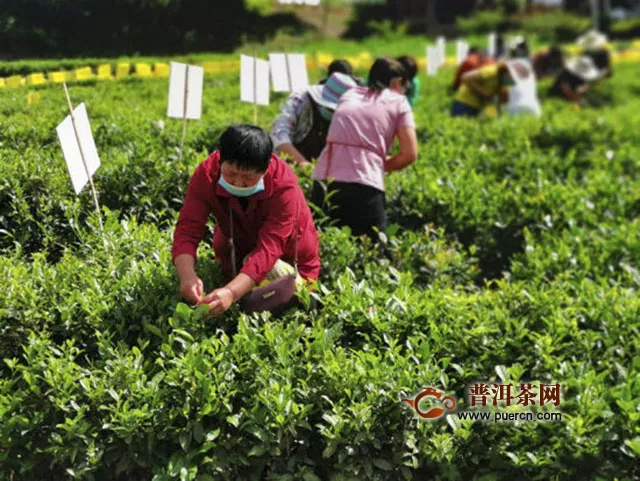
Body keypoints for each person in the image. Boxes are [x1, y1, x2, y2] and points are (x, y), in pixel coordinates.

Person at [172, 124, 321, 315]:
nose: (238, 183)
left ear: (266, 168)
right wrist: (187, 276)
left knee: (289, 310)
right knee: (234, 309)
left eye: (248, 177)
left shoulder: (284, 185)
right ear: (221, 160)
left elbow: (270, 247)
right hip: (237, 249)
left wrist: (231, 292)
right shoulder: (207, 174)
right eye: (231, 174)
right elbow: (188, 228)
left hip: (290, 257)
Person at [310, 57, 418, 238]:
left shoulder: (349, 95)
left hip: (325, 179)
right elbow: (410, 153)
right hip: (365, 183)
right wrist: (381, 165)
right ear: (399, 82)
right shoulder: (398, 101)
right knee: (374, 249)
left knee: (318, 244)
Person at [270, 72, 358, 168]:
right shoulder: (300, 99)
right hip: (287, 163)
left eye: (336, 110)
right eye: (329, 108)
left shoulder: (350, 116)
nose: (332, 112)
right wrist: (303, 163)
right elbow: (278, 133)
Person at [451, 59, 531, 117]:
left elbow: (498, 101)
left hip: (477, 106)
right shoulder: (491, 72)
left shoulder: (502, 81)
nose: (513, 81)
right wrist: (483, 93)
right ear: (507, 71)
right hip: (464, 104)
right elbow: (465, 77)